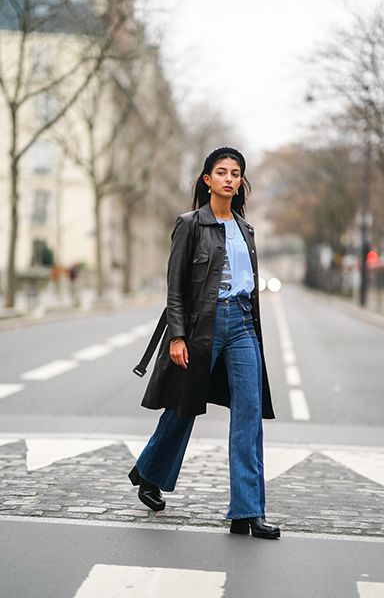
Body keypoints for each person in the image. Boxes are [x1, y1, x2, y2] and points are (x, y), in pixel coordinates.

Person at [129, 146, 280, 540]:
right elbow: (175, 287)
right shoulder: (190, 224)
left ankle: (247, 512)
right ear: (206, 179)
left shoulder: (246, 229)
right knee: (184, 407)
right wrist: (177, 336)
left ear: (241, 182)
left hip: (243, 326)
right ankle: (150, 472)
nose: (229, 178)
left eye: (235, 173)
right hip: (202, 329)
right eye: (221, 172)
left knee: (248, 415)